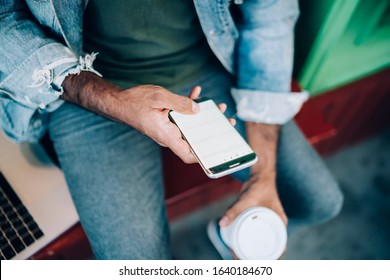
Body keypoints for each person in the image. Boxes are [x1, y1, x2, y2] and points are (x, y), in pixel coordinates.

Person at [0, 0, 343, 259]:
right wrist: (113, 101)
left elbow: (270, 19)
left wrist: (263, 175)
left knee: (319, 202)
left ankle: (229, 238)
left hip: (205, 65)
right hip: (85, 84)